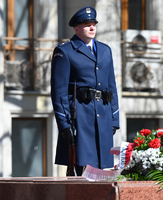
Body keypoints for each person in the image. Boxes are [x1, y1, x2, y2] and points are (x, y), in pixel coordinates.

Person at [51, 6, 119, 176]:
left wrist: (114, 118)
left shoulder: (105, 50)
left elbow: (112, 87)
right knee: (81, 169)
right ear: (77, 29)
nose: (92, 28)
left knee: (102, 169)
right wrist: (64, 124)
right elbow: (59, 92)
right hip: (80, 116)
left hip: (102, 116)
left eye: (94, 24)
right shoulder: (65, 51)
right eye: (87, 24)